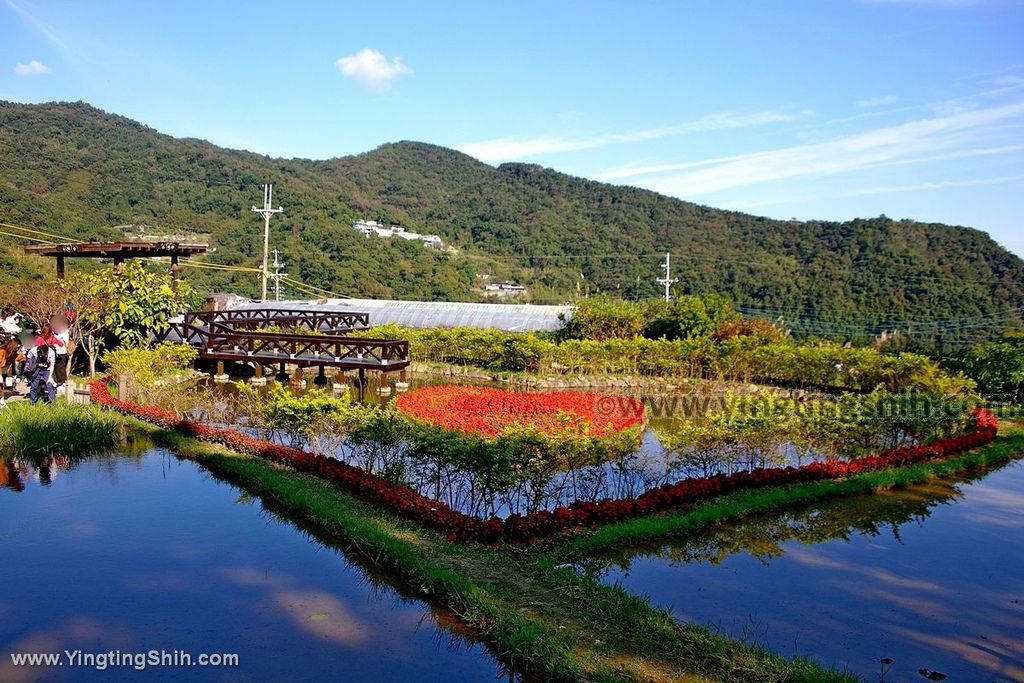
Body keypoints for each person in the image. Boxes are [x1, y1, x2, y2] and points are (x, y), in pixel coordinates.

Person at [25, 336, 56, 404]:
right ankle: (32, 403)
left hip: (46, 369)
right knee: (34, 386)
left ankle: (52, 403)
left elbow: (52, 364)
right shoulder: (33, 350)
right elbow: (28, 358)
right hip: (36, 369)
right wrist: (30, 368)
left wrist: (50, 377)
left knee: (49, 385)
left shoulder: (51, 352)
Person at [49, 314, 71, 389]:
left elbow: (62, 343)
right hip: (56, 352)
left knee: (60, 368)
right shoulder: (58, 332)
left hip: (62, 352)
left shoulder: (65, 333)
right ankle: (58, 381)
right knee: (56, 368)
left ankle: (62, 383)